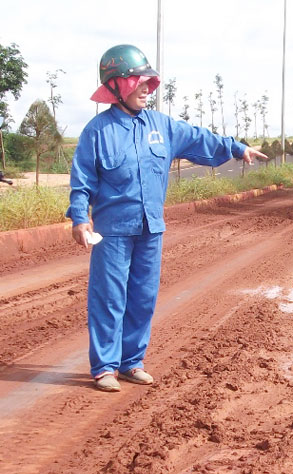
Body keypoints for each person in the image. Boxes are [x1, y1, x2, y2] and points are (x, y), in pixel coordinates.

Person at [67, 44, 267, 392]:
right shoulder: (97, 132)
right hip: (113, 231)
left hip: (150, 229)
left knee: (143, 297)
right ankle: (104, 368)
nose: (147, 89)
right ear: (115, 86)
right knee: (110, 297)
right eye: (138, 82)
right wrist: (79, 218)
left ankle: (131, 363)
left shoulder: (161, 126)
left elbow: (199, 138)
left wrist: (237, 148)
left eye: (149, 82)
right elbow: (82, 180)